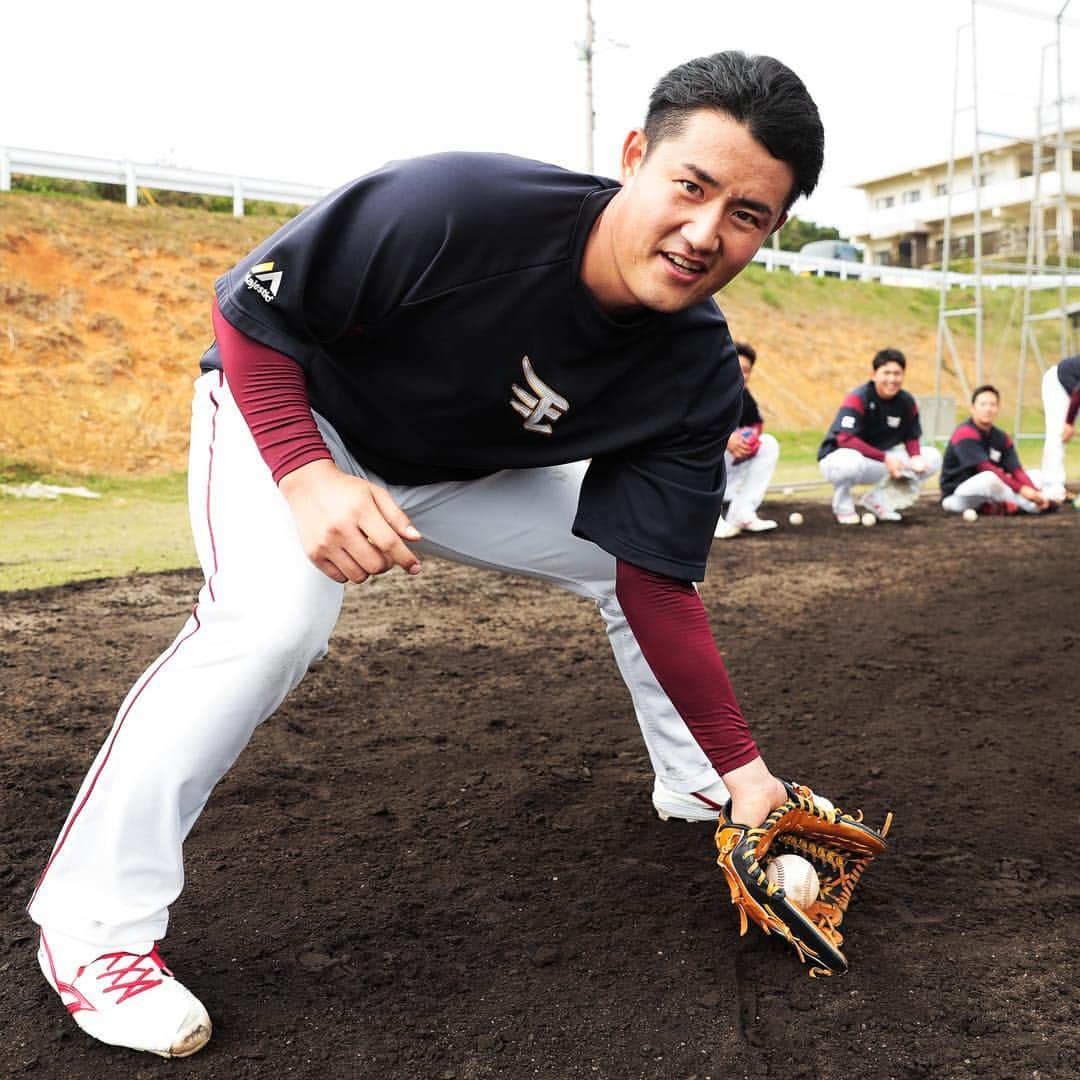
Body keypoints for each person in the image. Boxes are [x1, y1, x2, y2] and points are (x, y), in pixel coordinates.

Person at [28, 51, 825, 1059]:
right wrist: (305, 474)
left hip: (449, 471)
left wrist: (744, 768)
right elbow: (254, 310)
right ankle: (91, 929)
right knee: (272, 622)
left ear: (772, 230)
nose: (707, 231)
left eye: (748, 215)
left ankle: (699, 783)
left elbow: (651, 574)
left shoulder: (697, 374)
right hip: (292, 414)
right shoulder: (463, 205)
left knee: (613, 563)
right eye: (692, 186)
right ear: (635, 156)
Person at [817, 348, 942, 524]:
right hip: (838, 460)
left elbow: (911, 435)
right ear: (874, 374)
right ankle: (843, 507)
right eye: (886, 373)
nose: (892, 379)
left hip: (878, 461)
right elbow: (844, 439)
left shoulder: (906, 402)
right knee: (850, 461)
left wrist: (915, 457)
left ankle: (879, 500)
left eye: (897, 373)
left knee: (932, 457)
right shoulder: (859, 397)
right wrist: (885, 458)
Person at [941, 385, 1055, 515]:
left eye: (992, 404)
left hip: (992, 491)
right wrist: (1022, 489)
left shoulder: (1001, 437)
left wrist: (1034, 491)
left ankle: (1036, 501)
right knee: (990, 478)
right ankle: (1033, 506)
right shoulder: (964, 433)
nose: (988, 409)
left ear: (997, 409)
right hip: (956, 496)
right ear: (973, 408)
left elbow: (1016, 470)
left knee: (1038, 475)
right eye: (983, 404)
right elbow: (985, 468)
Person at [713, 341, 781, 537]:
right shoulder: (708, 391)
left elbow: (756, 425)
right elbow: (692, 428)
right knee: (710, 445)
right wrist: (726, 439)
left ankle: (741, 513)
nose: (742, 374)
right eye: (737, 367)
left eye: (746, 370)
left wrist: (749, 441)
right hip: (692, 472)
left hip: (728, 469)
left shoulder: (744, 395)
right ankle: (710, 520)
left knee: (768, 444)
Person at [1039, 353, 1080, 502]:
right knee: (1057, 434)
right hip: (1058, 384)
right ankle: (1052, 488)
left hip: (1074, 388)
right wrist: (1069, 423)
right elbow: (1078, 392)